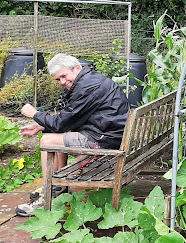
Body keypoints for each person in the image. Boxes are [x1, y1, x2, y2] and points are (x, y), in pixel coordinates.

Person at [15, 53, 131, 217]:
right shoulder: (90, 80)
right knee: (55, 134)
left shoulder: (86, 88)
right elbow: (70, 120)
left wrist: (35, 114)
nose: (62, 82)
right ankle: (57, 191)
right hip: (109, 135)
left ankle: (46, 196)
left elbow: (62, 122)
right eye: (58, 79)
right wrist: (41, 126)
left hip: (104, 142)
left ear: (77, 68)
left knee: (48, 140)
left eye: (64, 76)